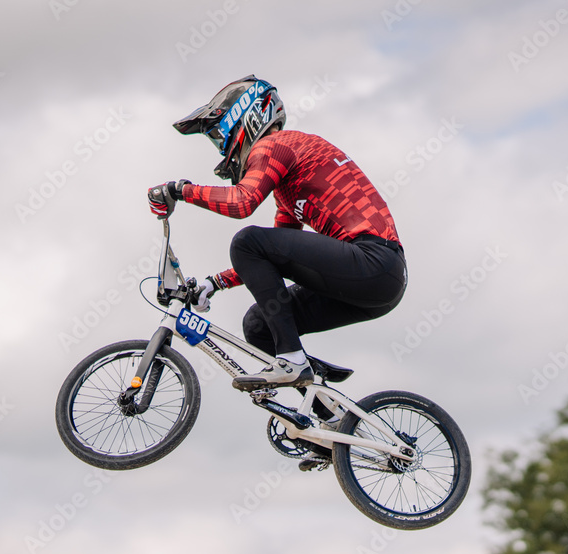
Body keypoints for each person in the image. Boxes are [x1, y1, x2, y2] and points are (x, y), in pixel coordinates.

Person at [149, 75, 407, 393]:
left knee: (246, 241)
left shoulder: (276, 145)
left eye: (220, 137)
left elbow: (242, 204)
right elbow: (275, 252)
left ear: (244, 119)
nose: (222, 148)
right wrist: (214, 283)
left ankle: (293, 361)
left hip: (373, 260)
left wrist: (180, 190)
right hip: (376, 284)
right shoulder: (286, 185)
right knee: (258, 324)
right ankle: (322, 415)